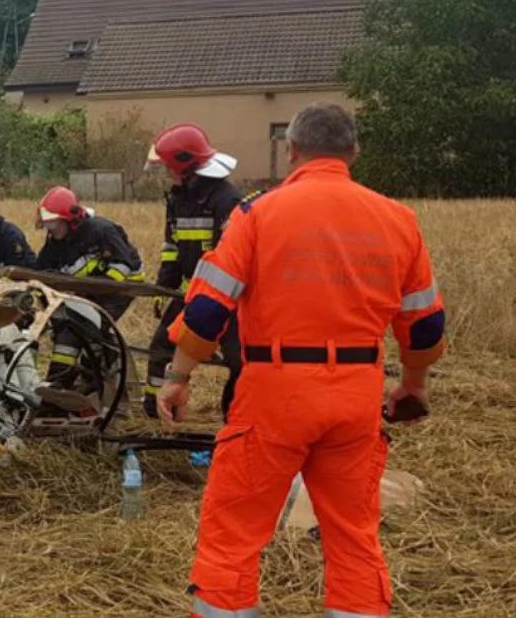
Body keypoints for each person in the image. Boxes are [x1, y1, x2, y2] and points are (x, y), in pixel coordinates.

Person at [156, 103, 446, 617]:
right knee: (354, 539)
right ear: (353, 151)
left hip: (274, 395)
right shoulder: (398, 220)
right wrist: (415, 384)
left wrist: (179, 377)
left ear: (291, 152)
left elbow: (205, 310)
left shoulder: (256, 214)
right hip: (357, 395)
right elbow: (423, 323)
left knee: (234, 537)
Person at [143, 123, 244, 420]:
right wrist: (164, 289)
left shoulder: (225, 199)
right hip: (188, 294)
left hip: (226, 300)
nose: (166, 173)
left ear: (184, 164)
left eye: (167, 166)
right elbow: (171, 248)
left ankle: (237, 423)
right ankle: (156, 416)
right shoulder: (178, 198)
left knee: (240, 363)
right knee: (161, 350)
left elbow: (234, 256)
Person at [34, 185, 144, 375]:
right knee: (68, 331)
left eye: (54, 223)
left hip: (121, 289)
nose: (50, 229)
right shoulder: (56, 241)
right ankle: (60, 384)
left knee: (85, 327)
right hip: (90, 290)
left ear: (71, 219)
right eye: (47, 224)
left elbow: (123, 266)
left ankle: (97, 366)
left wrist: (95, 292)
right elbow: (40, 271)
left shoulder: (102, 230)